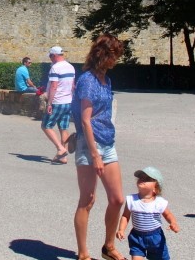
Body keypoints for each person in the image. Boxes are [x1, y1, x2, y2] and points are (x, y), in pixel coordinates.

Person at [72, 34, 125, 260]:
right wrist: (95, 155)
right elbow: (86, 120)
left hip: (107, 142)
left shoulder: (106, 79)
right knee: (88, 199)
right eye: (114, 55)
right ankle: (83, 254)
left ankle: (108, 247)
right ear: (103, 55)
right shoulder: (87, 80)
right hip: (88, 145)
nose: (116, 60)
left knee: (117, 199)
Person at [116, 167, 179, 260]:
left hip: (155, 237)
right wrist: (121, 229)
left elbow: (168, 214)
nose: (142, 179)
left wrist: (173, 223)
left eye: (147, 179)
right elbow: (125, 216)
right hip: (136, 237)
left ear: (155, 188)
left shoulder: (159, 202)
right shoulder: (132, 200)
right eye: (141, 177)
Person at [42, 45, 75, 164]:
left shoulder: (55, 68)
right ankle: (63, 157)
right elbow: (72, 86)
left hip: (57, 101)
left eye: (51, 56)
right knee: (63, 127)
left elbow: (54, 86)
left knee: (46, 126)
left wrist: (49, 103)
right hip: (68, 101)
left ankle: (60, 149)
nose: (50, 58)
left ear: (55, 55)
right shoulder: (71, 67)